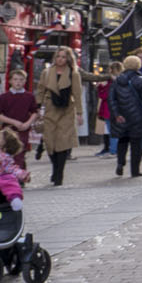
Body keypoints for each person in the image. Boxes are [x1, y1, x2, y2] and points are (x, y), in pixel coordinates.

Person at [36, 47, 84, 187]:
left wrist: (79, 113)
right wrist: (39, 106)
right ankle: (54, 168)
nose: (60, 59)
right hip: (50, 108)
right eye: (58, 56)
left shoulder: (73, 74)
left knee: (63, 142)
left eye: (63, 57)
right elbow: (40, 89)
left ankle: (59, 174)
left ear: (68, 59)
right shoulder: (47, 72)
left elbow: (77, 93)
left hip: (66, 109)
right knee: (50, 141)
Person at [107, 56, 142, 178]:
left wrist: (116, 114)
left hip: (121, 116)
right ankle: (135, 170)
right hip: (137, 116)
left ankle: (120, 163)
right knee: (136, 143)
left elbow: (111, 99)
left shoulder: (117, 81)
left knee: (122, 140)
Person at [0, 67, 38, 157]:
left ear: (25, 81)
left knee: (21, 154)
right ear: (10, 81)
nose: (18, 82)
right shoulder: (3, 97)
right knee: (7, 154)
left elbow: (35, 112)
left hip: (23, 130)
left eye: (21, 80)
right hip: (8, 130)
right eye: (15, 79)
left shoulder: (29, 96)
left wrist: (28, 124)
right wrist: (14, 122)